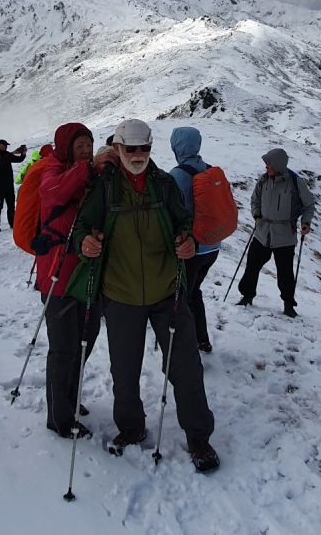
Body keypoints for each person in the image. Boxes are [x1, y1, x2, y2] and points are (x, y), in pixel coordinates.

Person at [71, 119, 220, 473]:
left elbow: (184, 223)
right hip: (120, 293)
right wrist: (84, 243)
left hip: (167, 292)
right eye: (131, 149)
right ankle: (131, 428)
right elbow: (81, 226)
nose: (138, 155)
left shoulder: (164, 184)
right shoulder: (105, 188)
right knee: (124, 370)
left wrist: (188, 242)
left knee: (186, 367)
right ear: (118, 148)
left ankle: (199, 437)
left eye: (145, 148)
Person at [34, 123, 102, 438]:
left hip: (85, 276)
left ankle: (70, 400)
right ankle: (59, 418)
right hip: (58, 278)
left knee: (85, 341)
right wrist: (87, 167)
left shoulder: (88, 173)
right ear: (66, 148)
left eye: (89, 145)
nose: (86, 151)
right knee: (63, 350)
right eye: (80, 146)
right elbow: (54, 192)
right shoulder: (53, 171)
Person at [238, 148, 316, 316]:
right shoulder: (264, 179)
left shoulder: (295, 182)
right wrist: (257, 215)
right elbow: (254, 200)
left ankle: (288, 305)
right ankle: (246, 296)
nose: (266, 167)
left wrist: (306, 222)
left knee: (285, 273)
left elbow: (309, 205)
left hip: (284, 235)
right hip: (262, 232)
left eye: (269, 164)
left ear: (278, 165)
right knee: (252, 266)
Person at [168, 126, 220, 353]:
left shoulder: (178, 175)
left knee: (181, 296)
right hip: (212, 246)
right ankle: (201, 338)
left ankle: (185, 342)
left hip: (192, 249)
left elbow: (172, 213)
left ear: (177, 146)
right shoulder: (208, 169)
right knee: (193, 291)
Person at [0, 139, 28, 231]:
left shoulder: (7, 155)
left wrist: (23, 153)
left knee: (11, 205)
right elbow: (0, 162)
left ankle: (13, 224)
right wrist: (12, 153)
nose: (6, 147)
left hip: (9, 184)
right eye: (4, 145)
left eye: (6, 145)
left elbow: (18, 160)